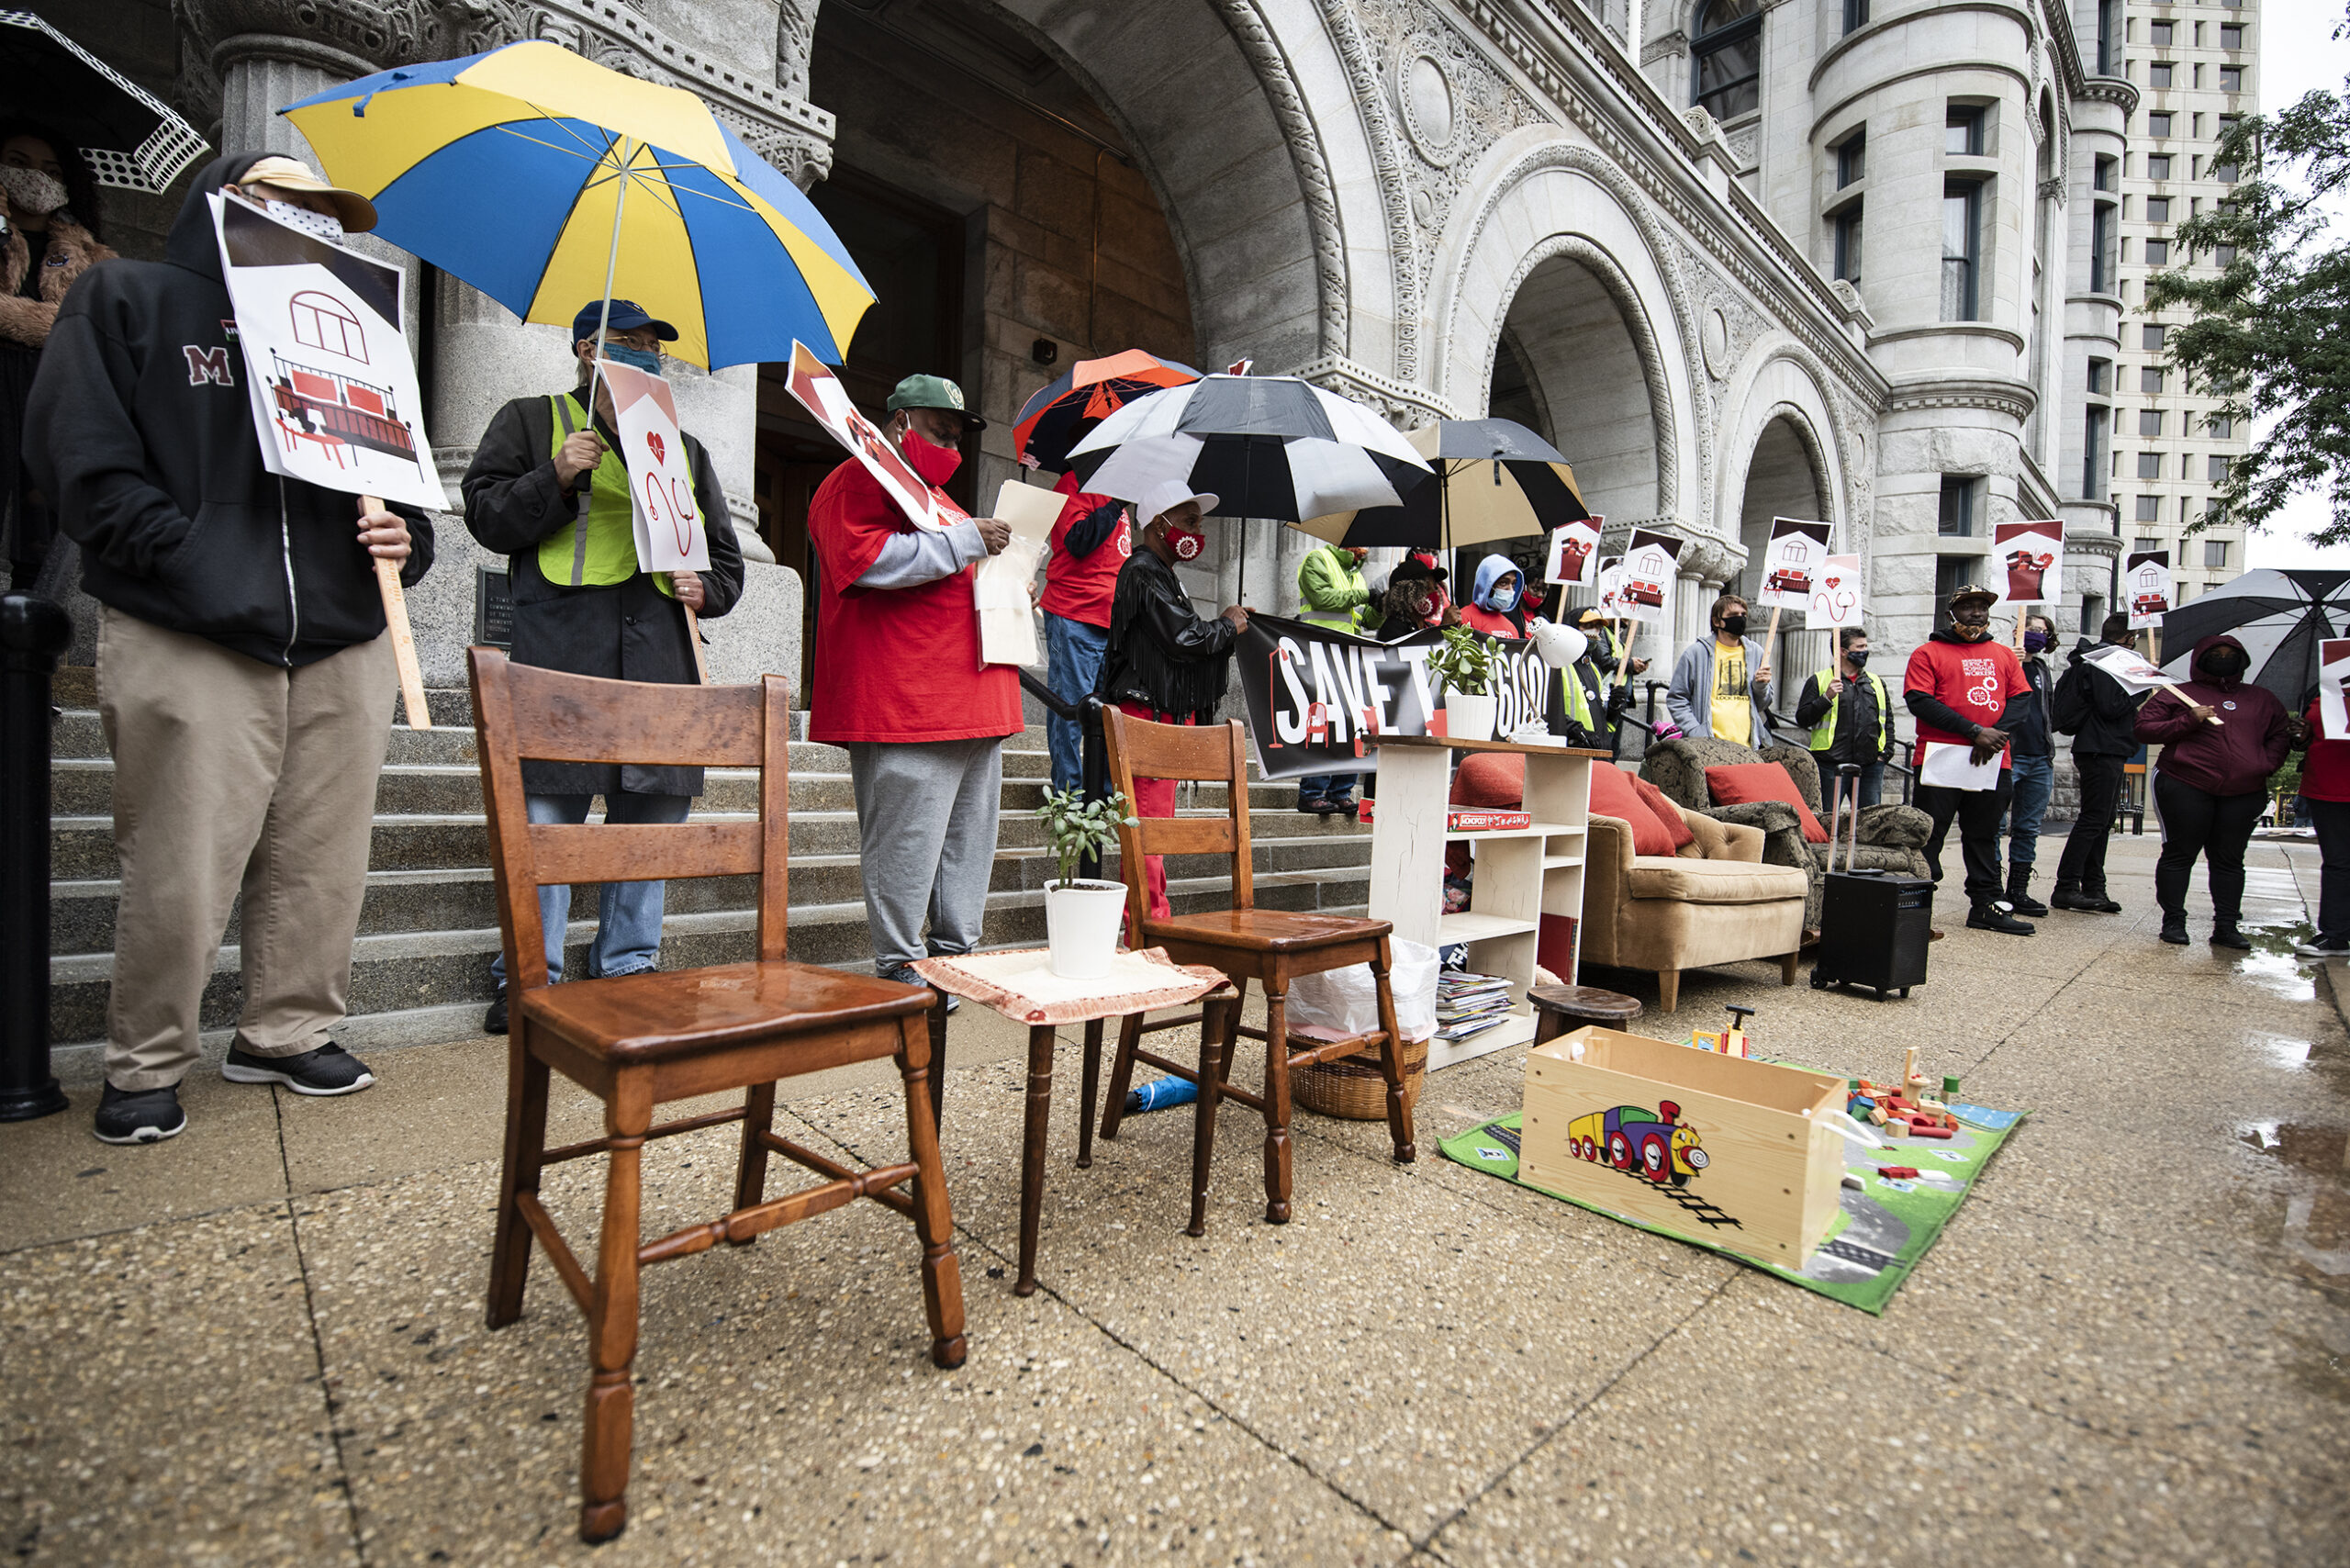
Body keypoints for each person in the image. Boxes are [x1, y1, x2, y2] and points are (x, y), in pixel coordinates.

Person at [27, 152, 431, 1142]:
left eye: (322, 212)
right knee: (182, 855)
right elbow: (81, 456)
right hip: (189, 620)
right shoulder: (131, 296)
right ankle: (147, 1058)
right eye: (282, 200)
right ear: (223, 198)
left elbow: (405, 486)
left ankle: (286, 1032)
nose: (308, 223)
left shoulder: (357, 334)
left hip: (340, 633)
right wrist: (190, 556)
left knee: (323, 857)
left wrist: (406, 540)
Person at [462, 299, 746, 1032]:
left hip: (659, 656)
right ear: (586, 349)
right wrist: (553, 475)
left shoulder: (685, 449)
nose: (646, 356)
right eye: (629, 344)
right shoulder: (530, 420)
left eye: (654, 348)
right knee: (547, 819)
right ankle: (529, 974)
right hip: (563, 655)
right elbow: (488, 518)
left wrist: (705, 590)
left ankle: (629, 963)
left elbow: (726, 565)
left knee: (651, 817)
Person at [807, 374, 1018, 998]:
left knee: (965, 844)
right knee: (907, 840)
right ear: (899, 424)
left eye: (957, 434)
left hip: (974, 695)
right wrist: (965, 542)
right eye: (938, 429)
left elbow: (955, 566)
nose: (951, 444)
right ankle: (902, 959)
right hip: (907, 697)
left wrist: (1009, 580)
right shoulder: (857, 478)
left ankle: (957, 954)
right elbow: (866, 561)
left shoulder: (938, 499)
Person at [1096, 480, 1247, 925]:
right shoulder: (1143, 571)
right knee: (1147, 831)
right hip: (1146, 717)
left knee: (1153, 831)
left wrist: (1222, 628)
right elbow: (1184, 638)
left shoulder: (1159, 574)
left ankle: (1151, 920)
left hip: (1157, 717)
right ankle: (1147, 925)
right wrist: (1226, 627)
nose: (1197, 532)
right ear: (1159, 525)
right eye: (1189, 521)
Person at [2, 124, 114, 589]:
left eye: (50, 170)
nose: (36, 178)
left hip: (53, 393)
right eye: (19, 163)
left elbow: (101, 327)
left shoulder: (90, 255)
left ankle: (26, 648)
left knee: (41, 528)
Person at [2136, 633, 2295, 948]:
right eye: (2216, 654)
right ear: (2201, 658)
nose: (2223, 659)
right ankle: (2174, 921)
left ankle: (2226, 926)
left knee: (2230, 859)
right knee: (2180, 854)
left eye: (2230, 654)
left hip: (2244, 790)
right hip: (2185, 783)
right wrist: (2187, 720)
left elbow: (2280, 734)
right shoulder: (2179, 694)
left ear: (2242, 660)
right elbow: (2144, 728)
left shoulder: (2262, 698)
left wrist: (2266, 764)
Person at [1903, 586, 2033, 935]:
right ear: (1951, 613)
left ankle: (1986, 905)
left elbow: (2021, 700)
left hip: (1992, 759)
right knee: (1930, 835)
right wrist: (1975, 731)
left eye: (1981, 607)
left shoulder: (2004, 655)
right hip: (1940, 757)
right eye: (1967, 607)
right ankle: (1916, 906)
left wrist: (1995, 736)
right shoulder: (1928, 653)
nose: (1976, 613)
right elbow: (1920, 700)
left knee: (1985, 835)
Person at [2049, 613, 2148, 913]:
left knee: (2103, 822)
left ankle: (2094, 887)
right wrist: (2142, 687)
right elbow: (2111, 706)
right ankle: (2067, 886)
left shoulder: (2104, 660)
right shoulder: (2106, 662)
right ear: (2129, 638)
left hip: (2107, 748)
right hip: (2100, 748)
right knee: (2093, 820)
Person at [1038, 469, 1128, 794]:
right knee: (1072, 710)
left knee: (1107, 716)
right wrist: (1116, 504)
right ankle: (1068, 794)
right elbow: (1078, 541)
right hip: (1076, 612)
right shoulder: (1074, 483)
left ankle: (1101, 792)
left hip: (1111, 621)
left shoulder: (1114, 495)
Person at [1296, 540, 1375, 815]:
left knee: (1352, 725)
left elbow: (1367, 620)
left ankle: (1340, 792)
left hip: (1348, 658)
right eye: (1359, 544)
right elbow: (1322, 599)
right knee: (1323, 724)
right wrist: (1366, 595)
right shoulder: (1317, 559)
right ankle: (1312, 793)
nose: (1363, 549)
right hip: (1318, 652)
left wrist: (1383, 604)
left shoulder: (1357, 574)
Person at [1996, 612, 2060, 916]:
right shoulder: (2004, 661)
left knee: (2028, 827)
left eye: (2041, 631)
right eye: (2030, 629)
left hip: (2039, 757)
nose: (2036, 634)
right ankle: (1993, 890)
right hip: (2011, 754)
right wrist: (2011, 660)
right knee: (1996, 824)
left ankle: (2018, 890)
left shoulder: (2043, 669)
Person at [1795, 626, 1894, 808]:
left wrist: (1885, 754)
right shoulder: (1819, 680)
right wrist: (1826, 698)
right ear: (1842, 651)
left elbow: (1887, 721)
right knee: (1826, 820)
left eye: (1865, 646)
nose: (1865, 651)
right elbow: (1802, 718)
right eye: (1860, 647)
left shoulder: (1876, 682)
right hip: (1830, 764)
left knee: (1870, 822)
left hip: (1870, 764)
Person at [1666, 593, 1776, 747]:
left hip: (1747, 747)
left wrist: (1761, 686)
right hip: (1708, 747)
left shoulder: (1757, 652)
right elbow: (1677, 698)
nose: (1740, 618)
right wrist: (1696, 732)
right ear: (1717, 621)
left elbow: (1763, 703)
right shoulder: (1696, 653)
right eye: (1733, 615)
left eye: (1743, 614)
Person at [2293, 691, 2350, 958]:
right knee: (2338, 862)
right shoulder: (2322, 689)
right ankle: (2335, 935)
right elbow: (2305, 741)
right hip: (2327, 787)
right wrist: (2301, 737)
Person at [1460, 554, 1528, 639]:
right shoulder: (1465, 618)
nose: (1510, 590)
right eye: (1503, 583)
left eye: (1513, 584)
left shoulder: (1511, 627)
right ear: (1486, 584)